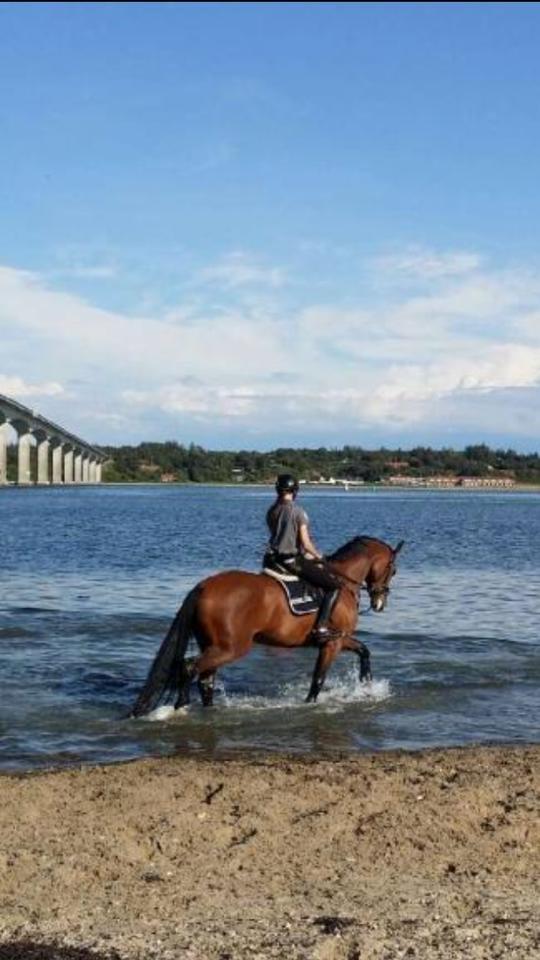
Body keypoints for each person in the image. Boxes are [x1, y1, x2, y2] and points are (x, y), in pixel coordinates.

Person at [264, 473, 342, 640]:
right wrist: (319, 556)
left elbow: (278, 536)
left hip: (271, 559)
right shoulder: (298, 512)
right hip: (290, 561)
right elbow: (305, 544)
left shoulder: (272, 510)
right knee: (334, 586)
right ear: (295, 491)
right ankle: (320, 627)